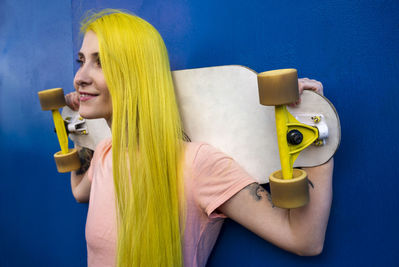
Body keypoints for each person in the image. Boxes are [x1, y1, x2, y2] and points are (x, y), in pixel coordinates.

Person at [65, 9, 333, 267]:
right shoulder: (104, 154)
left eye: (101, 62)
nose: (79, 78)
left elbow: (303, 239)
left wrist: (313, 124)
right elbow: (79, 192)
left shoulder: (197, 165)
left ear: (137, 75)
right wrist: (76, 131)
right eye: (82, 61)